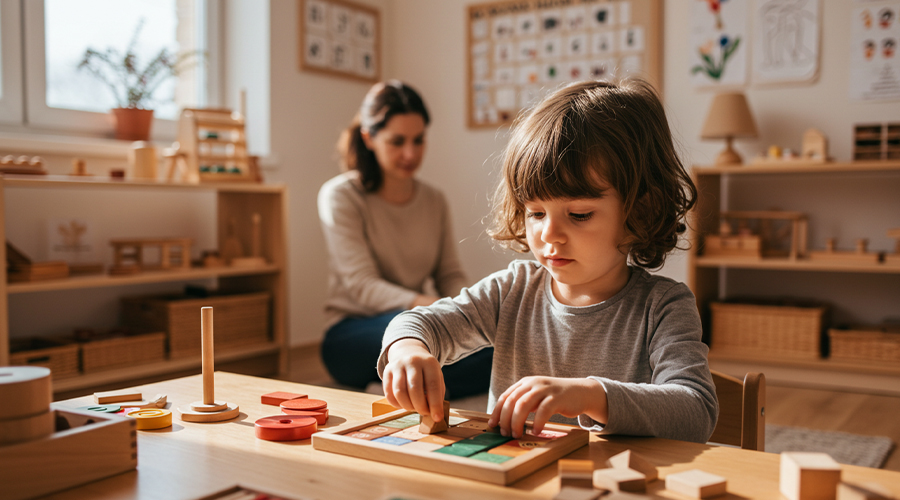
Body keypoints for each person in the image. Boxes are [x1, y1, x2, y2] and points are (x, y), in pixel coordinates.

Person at [377, 79, 718, 444]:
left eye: (579, 214)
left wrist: (590, 395)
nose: (549, 235)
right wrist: (406, 349)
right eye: (536, 213)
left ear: (641, 211)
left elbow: (696, 410)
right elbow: (418, 323)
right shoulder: (513, 289)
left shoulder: (665, 306)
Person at [318, 80, 493, 397]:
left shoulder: (434, 200)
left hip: (417, 319)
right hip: (353, 331)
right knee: (429, 354)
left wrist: (471, 313)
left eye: (418, 140)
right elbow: (362, 284)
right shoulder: (341, 196)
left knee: (494, 347)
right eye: (397, 141)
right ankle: (404, 383)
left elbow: (449, 274)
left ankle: (393, 387)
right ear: (369, 138)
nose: (410, 153)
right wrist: (437, 306)